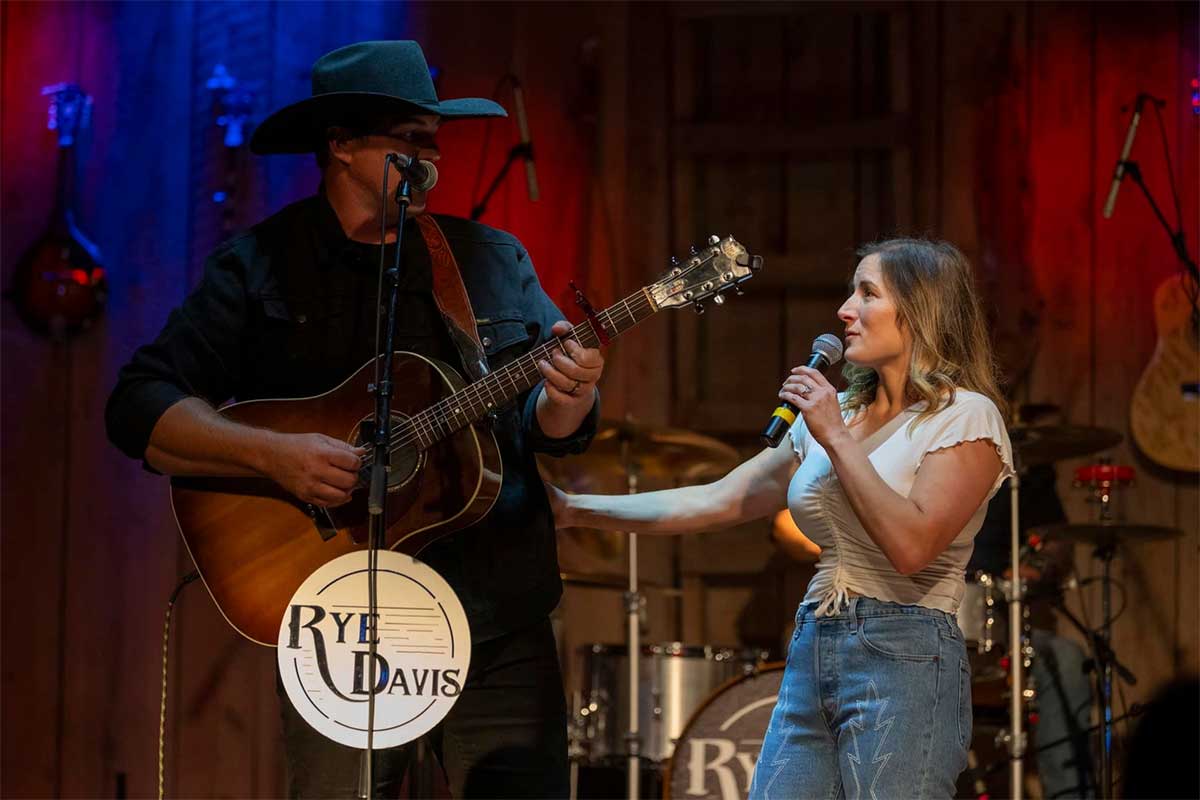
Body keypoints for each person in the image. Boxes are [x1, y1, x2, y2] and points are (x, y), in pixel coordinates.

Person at [105, 40, 603, 798]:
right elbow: (140, 406)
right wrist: (275, 457)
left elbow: (548, 430)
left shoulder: (488, 259)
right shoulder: (261, 265)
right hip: (338, 617)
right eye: (410, 141)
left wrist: (569, 397)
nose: (430, 160)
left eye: (435, 142)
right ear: (340, 144)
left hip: (496, 608)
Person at [550, 238, 1015, 798]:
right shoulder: (841, 415)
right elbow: (720, 498)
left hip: (906, 650)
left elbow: (912, 547)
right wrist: (573, 509)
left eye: (867, 293)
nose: (845, 310)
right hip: (816, 638)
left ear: (922, 309)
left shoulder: (963, 417)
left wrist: (835, 437)